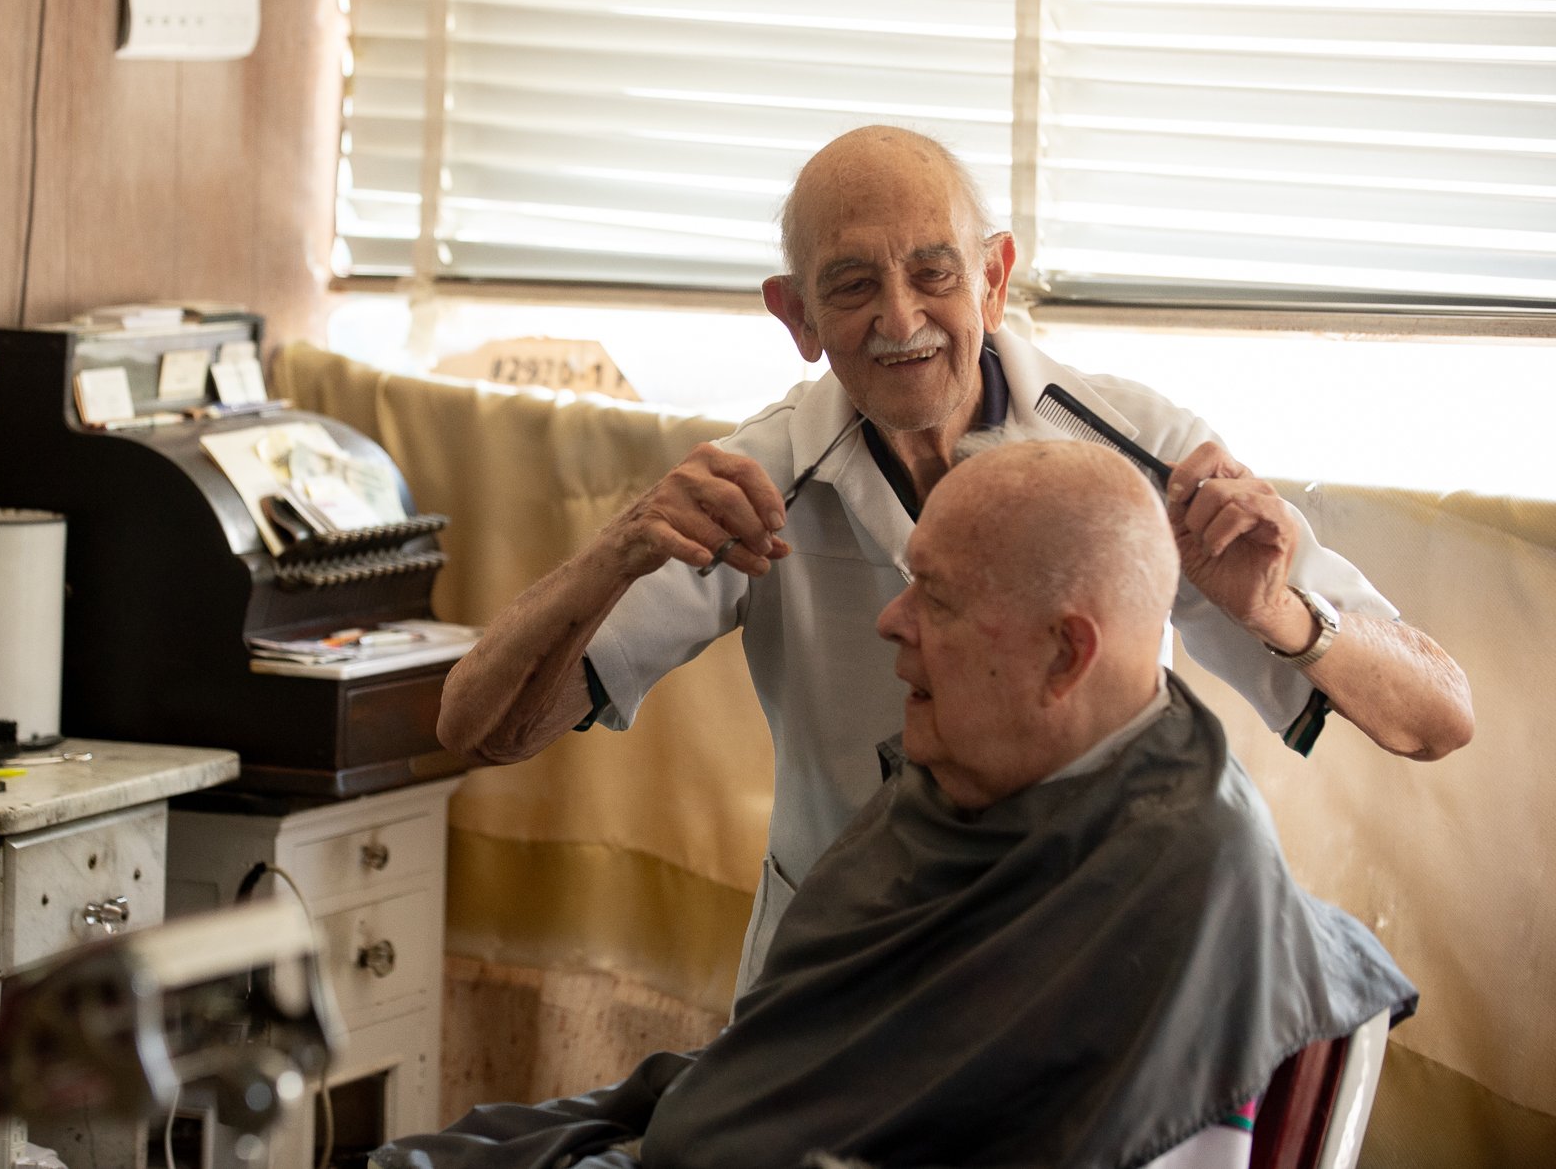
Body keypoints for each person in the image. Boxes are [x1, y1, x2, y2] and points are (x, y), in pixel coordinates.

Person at [437, 125, 1473, 993]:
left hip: (1081, 976)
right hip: (838, 985)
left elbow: (1433, 719)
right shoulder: (754, 487)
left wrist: (1281, 612)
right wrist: (616, 551)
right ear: (794, 315)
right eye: (849, 285)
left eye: (933, 271)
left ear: (992, 274)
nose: (900, 318)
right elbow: (477, 729)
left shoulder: (1132, 449)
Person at [378, 442, 1418, 1169]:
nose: (888, 622)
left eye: (937, 598)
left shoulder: (1174, 888)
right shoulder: (953, 778)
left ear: (1066, 652)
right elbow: (789, 1066)